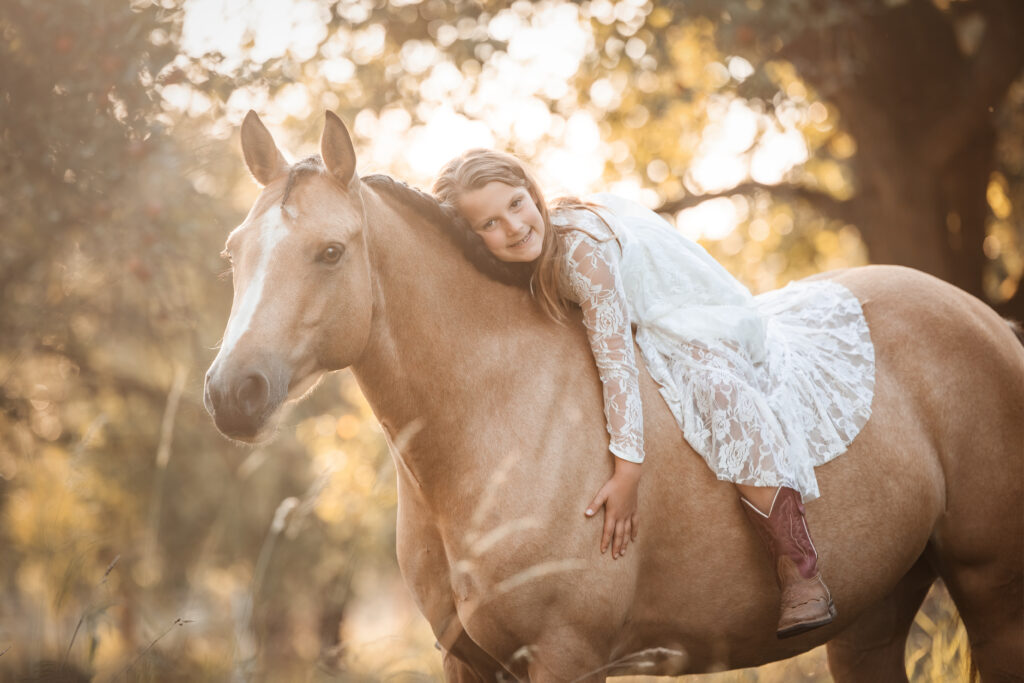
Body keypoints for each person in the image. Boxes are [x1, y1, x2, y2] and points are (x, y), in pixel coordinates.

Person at [432, 149, 875, 639]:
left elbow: (616, 359)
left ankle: (801, 571)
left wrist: (627, 470)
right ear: (473, 238)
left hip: (678, 308)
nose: (514, 227)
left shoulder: (580, 253)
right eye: (491, 223)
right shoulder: (503, 265)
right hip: (626, 313)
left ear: (532, 192)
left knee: (721, 395)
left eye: (517, 204)